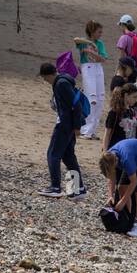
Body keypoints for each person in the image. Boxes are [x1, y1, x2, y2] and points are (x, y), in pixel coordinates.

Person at [38, 62, 86, 198]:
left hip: (65, 125)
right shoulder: (64, 81)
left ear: (49, 75)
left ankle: (55, 187)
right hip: (69, 124)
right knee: (68, 156)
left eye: (44, 77)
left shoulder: (61, 84)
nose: (45, 81)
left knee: (52, 154)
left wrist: (77, 126)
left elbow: (76, 105)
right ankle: (78, 189)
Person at [100, 138, 137, 238]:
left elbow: (134, 182)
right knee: (121, 187)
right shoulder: (109, 156)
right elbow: (111, 177)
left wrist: (123, 201)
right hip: (133, 157)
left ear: (116, 162)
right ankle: (131, 219)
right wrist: (110, 196)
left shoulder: (126, 159)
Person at [73, 20, 107, 139]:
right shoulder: (84, 42)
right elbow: (76, 39)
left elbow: (102, 58)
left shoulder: (100, 43)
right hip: (87, 68)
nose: (100, 34)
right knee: (91, 98)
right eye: (98, 32)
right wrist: (89, 43)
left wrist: (91, 51)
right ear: (92, 31)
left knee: (100, 98)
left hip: (97, 69)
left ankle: (92, 130)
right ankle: (85, 129)